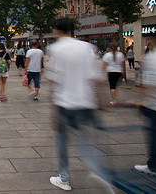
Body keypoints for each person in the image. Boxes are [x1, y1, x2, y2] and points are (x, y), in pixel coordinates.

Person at [47, 18, 104, 191]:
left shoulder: (55, 48)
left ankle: (64, 178)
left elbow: (55, 79)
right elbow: (96, 76)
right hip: (85, 102)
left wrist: (52, 105)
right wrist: (99, 99)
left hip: (64, 103)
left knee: (62, 141)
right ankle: (99, 171)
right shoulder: (86, 47)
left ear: (57, 31)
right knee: (84, 142)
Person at [134, 29, 156, 177]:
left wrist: (143, 101)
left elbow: (151, 83)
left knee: (153, 134)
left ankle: (153, 165)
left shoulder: (154, 57)